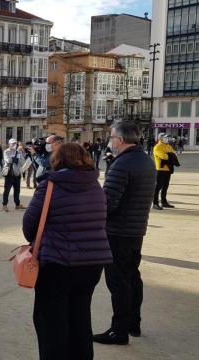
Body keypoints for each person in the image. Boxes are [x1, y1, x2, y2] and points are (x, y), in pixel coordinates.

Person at [23, 143, 113, 360]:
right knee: (80, 317)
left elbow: (29, 226)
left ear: (57, 160)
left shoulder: (50, 186)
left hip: (57, 263)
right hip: (92, 263)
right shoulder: (96, 187)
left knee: (51, 322)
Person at [92, 122, 156, 346]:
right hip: (136, 229)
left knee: (118, 281)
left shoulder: (122, 164)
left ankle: (118, 330)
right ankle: (133, 322)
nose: (110, 141)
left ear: (119, 140)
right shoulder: (146, 160)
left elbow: (108, 203)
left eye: (111, 137)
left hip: (118, 231)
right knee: (131, 276)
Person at [152, 133, 177, 210]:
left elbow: (175, 154)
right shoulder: (157, 147)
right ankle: (155, 203)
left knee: (165, 186)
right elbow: (164, 156)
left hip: (168, 169)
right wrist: (170, 155)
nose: (167, 139)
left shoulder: (168, 146)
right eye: (165, 137)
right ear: (160, 138)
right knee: (158, 187)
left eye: (167, 137)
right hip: (160, 169)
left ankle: (164, 202)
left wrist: (170, 155)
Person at [1, 139, 26, 212]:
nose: (14, 145)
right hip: (9, 174)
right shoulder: (6, 152)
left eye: (15, 143)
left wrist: (17, 159)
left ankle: (17, 205)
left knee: (17, 191)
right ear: (9, 144)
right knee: (7, 190)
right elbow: (8, 160)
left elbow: (23, 162)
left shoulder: (18, 152)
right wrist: (15, 160)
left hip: (17, 174)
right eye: (12, 143)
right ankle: (4, 205)